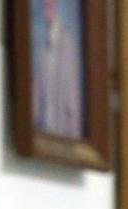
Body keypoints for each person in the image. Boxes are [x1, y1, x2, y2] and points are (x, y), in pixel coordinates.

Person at [31, 0, 83, 138]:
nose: (45, 9)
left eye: (49, 5)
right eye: (44, 5)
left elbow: (72, 98)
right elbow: (37, 91)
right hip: (43, 129)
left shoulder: (66, 44)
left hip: (62, 129)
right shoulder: (41, 46)